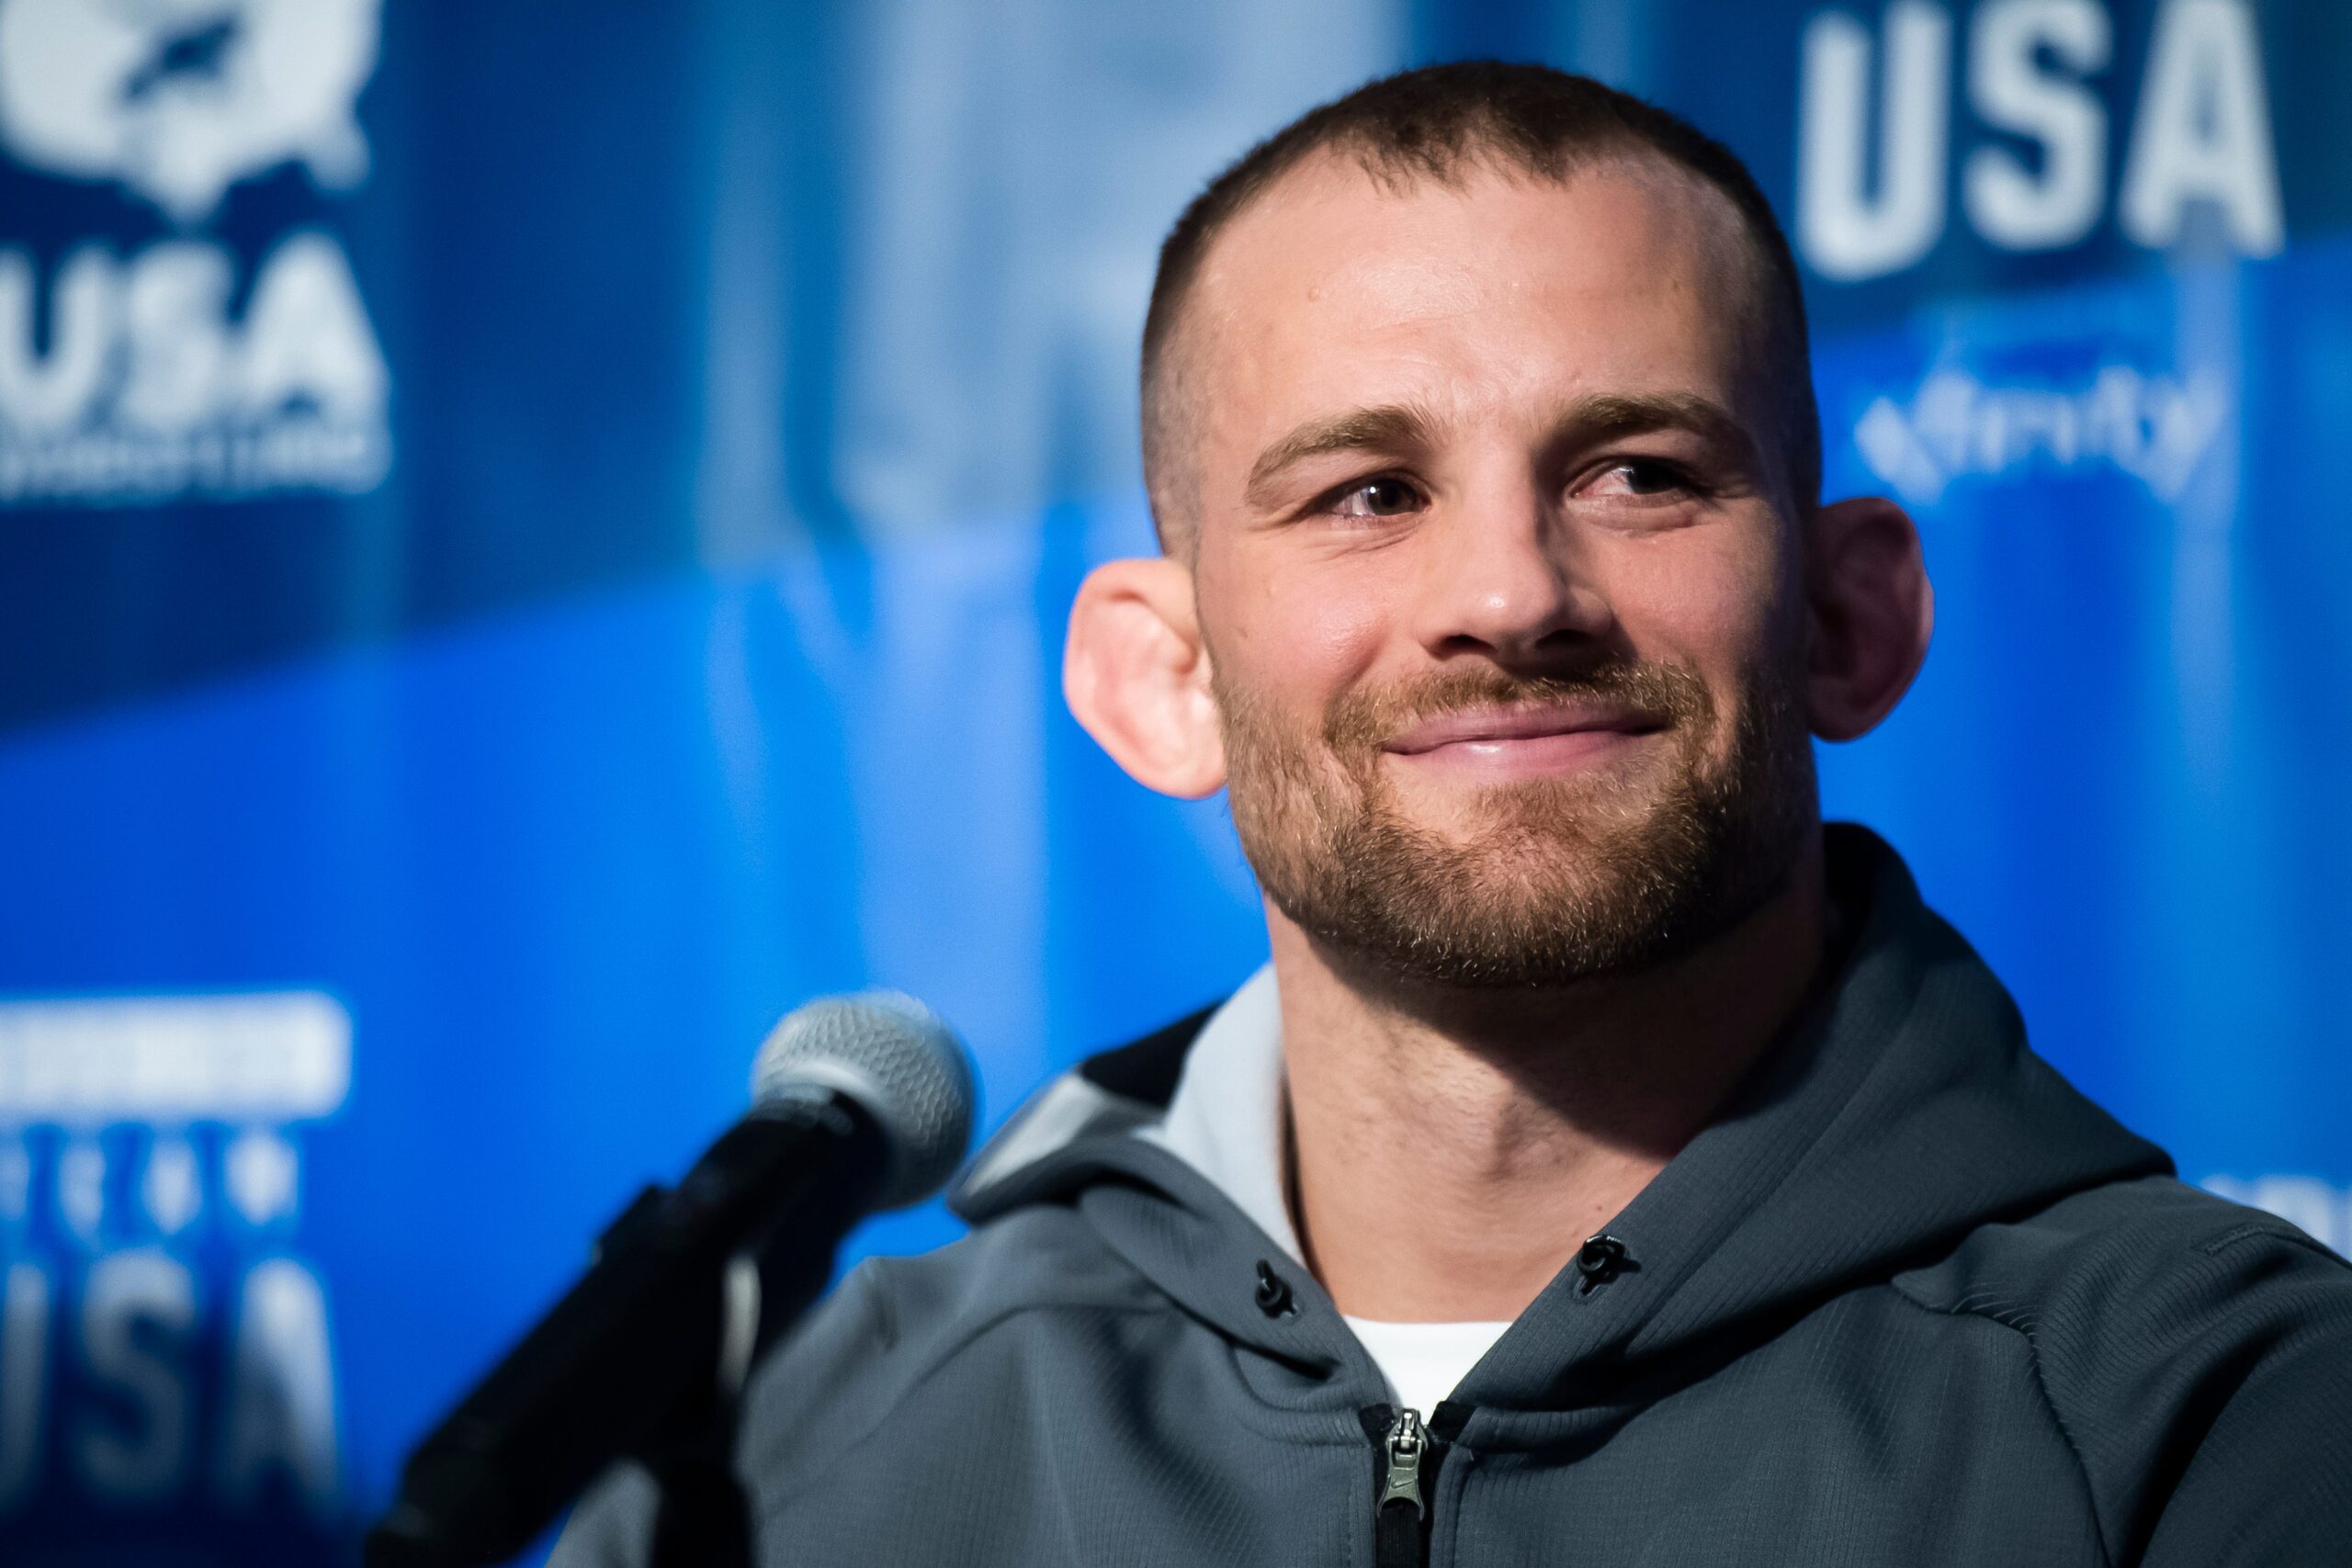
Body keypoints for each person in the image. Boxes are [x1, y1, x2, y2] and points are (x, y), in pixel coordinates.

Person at [559, 62, 2352, 1566]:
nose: (1506, 591)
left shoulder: (2222, 1417)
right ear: (1163, 676)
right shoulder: (784, 1468)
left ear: (1842, 615)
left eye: (1637, 471)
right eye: (1364, 491)